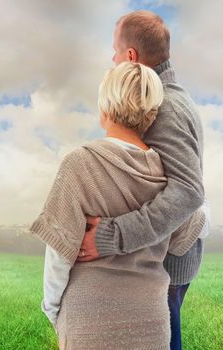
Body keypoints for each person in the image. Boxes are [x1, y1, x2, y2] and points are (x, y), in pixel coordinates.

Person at [30, 61, 205, 350]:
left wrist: (53, 310)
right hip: (152, 323)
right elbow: (184, 238)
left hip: (87, 321)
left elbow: (59, 254)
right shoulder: (169, 177)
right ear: (151, 114)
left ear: (105, 108)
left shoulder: (78, 165)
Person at [76, 11, 210, 350]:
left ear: (131, 56)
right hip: (163, 255)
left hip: (166, 263)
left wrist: (111, 237)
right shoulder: (165, 97)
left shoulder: (164, 106)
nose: (113, 58)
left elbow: (189, 191)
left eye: (115, 51)